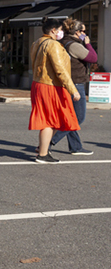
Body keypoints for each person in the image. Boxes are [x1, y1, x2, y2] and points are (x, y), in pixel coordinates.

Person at [29, 18, 81, 164]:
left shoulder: (36, 43)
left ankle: (43, 149)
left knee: (51, 118)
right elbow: (60, 70)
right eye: (60, 29)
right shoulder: (53, 45)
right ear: (53, 30)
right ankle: (43, 154)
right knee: (51, 120)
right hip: (51, 85)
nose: (62, 32)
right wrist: (73, 90)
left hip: (39, 83)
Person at [49, 18, 96, 155]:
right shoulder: (74, 45)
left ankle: (75, 147)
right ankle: (50, 142)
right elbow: (93, 58)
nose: (85, 34)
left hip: (66, 83)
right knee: (78, 118)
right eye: (83, 32)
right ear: (77, 32)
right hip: (75, 83)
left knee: (70, 116)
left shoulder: (63, 42)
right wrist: (88, 44)